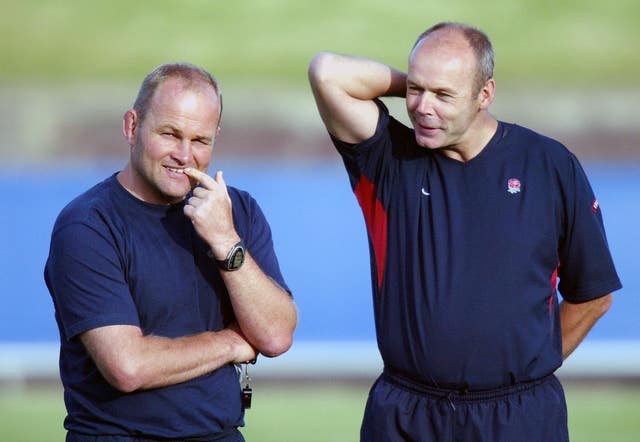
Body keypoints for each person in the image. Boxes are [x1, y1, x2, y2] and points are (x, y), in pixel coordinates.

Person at [308, 22, 621, 441]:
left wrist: (527, 366)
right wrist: (427, 85)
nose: (422, 107)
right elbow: (326, 73)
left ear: (484, 95)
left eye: (444, 94)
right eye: (416, 90)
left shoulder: (549, 166)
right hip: (405, 416)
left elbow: (593, 295)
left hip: (520, 417)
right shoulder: (389, 159)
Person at [45, 62, 298, 442]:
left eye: (200, 141)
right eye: (169, 134)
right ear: (132, 127)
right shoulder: (87, 225)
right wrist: (230, 343)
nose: (184, 154)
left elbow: (276, 336)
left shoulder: (236, 212)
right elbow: (127, 367)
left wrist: (226, 242)